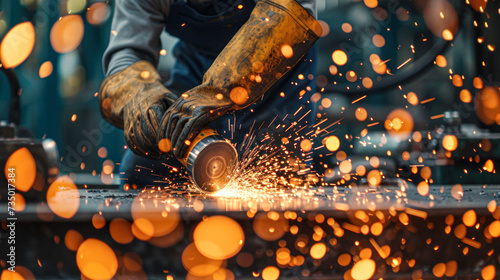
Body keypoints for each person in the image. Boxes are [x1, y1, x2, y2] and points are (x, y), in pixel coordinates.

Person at [98, 0, 322, 188]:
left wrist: (218, 91)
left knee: (273, 183)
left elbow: (293, 9)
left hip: (275, 73)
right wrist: (139, 94)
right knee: (143, 174)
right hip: (197, 68)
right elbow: (127, 52)